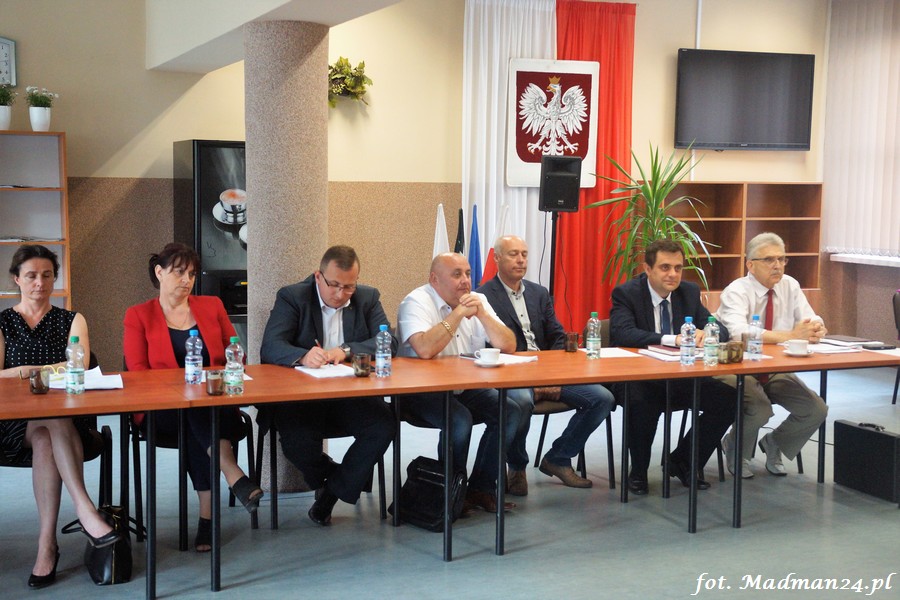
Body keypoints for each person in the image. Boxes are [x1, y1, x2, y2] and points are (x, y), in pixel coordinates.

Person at [123, 243, 262, 552]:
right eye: (179, 272)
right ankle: (232, 481)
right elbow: (138, 373)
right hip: (162, 411)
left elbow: (234, 353)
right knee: (194, 411)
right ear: (159, 272)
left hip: (214, 403)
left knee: (200, 411)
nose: (186, 280)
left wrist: (223, 372)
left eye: (191, 273)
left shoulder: (212, 306)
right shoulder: (138, 315)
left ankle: (210, 517)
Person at [0, 244, 121, 589]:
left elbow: (78, 368)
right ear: (17, 279)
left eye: (47, 275)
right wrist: (35, 370)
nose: (40, 282)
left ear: (55, 278)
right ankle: (86, 512)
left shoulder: (72, 319)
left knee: (47, 431)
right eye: (31, 276)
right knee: (47, 420)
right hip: (14, 423)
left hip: (68, 421)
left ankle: (46, 546)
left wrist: (23, 372)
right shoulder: (3, 322)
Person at [259, 245, 395, 526]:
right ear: (318, 277)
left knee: (383, 425)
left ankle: (331, 493)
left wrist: (345, 350)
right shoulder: (293, 297)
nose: (340, 293)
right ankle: (337, 478)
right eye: (334, 285)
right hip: (303, 398)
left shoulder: (368, 298)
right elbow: (271, 346)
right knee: (297, 443)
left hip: (351, 395)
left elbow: (388, 343)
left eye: (349, 287)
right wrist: (303, 356)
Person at [477, 235, 615, 492]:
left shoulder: (539, 293)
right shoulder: (483, 297)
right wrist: (534, 381)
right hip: (512, 375)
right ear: (496, 258)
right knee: (521, 402)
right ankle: (516, 466)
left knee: (602, 398)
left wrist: (551, 374)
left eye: (524, 254)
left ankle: (558, 458)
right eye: (513, 254)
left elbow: (557, 336)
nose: (521, 260)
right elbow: (488, 347)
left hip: (547, 371)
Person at [397, 252, 528, 512]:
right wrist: (457, 313)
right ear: (435, 279)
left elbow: (509, 345)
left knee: (510, 411)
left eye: (468, 274)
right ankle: (451, 492)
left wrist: (484, 315)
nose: (466, 281)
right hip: (421, 391)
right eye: (457, 275)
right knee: (459, 420)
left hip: (464, 387)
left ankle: (480, 489)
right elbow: (424, 349)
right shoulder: (416, 301)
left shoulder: (477, 300)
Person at [609, 239, 735, 495]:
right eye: (665, 267)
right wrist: (672, 339)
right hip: (638, 378)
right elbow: (622, 333)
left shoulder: (688, 292)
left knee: (728, 399)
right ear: (648, 269)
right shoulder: (627, 293)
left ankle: (683, 461)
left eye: (678, 268)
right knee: (641, 402)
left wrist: (707, 332)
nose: (673, 274)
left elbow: (720, 328)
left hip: (679, 376)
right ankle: (638, 471)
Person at [715, 232, 828, 478]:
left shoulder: (790, 285)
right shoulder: (736, 290)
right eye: (768, 260)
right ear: (750, 265)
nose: (777, 265)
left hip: (774, 368)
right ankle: (736, 448)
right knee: (760, 408)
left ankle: (775, 443)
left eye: (781, 259)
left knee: (816, 409)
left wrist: (816, 327)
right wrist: (790, 335)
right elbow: (737, 332)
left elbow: (810, 318)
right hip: (737, 367)